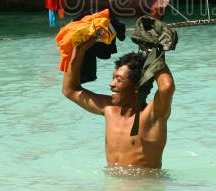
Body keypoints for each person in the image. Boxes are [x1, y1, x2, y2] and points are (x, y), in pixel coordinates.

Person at [61, 35, 175, 169]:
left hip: (145, 187)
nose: (111, 84)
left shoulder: (153, 114)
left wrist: (153, 53)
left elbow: (167, 87)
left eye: (119, 80)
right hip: (112, 187)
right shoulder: (109, 108)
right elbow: (69, 90)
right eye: (113, 78)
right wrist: (79, 50)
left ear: (137, 86)